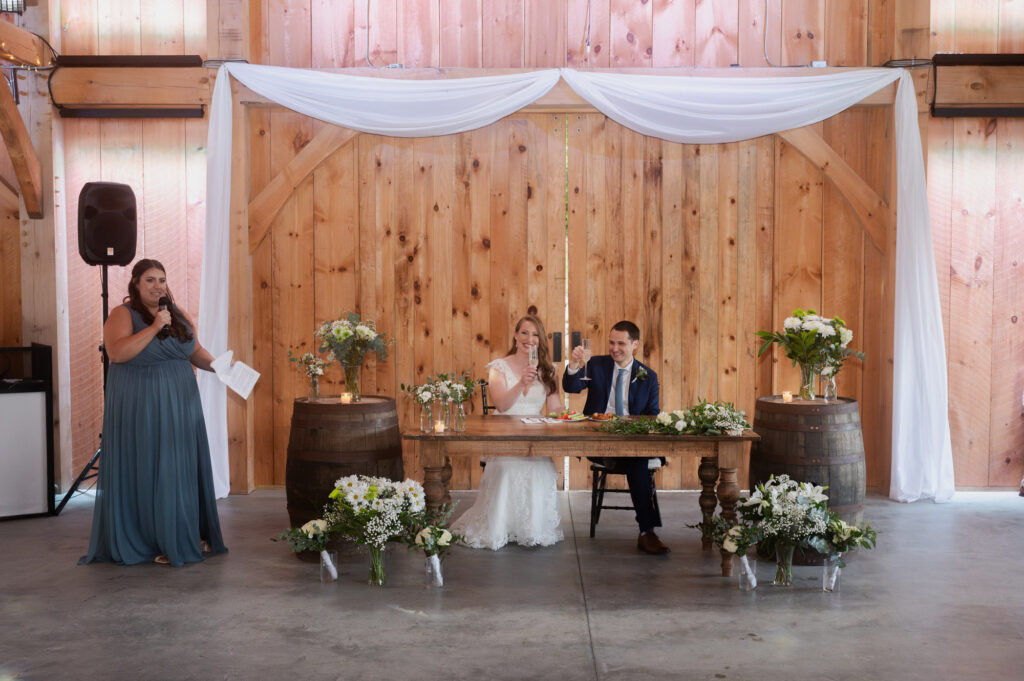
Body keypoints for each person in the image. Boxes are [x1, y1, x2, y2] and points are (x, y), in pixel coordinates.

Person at [80, 259, 227, 567]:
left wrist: (221, 368)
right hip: (143, 403)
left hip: (181, 402)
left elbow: (194, 350)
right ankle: (154, 537)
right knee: (154, 467)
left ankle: (183, 532)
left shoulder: (176, 313)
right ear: (135, 283)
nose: (158, 285)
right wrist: (154, 327)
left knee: (179, 468)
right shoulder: (123, 314)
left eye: (161, 279)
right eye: (150, 280)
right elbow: (118, 353)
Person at [451, 315, 565, 550]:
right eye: (524, 333)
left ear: (540, 340)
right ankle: (500, 527)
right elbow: (502, 405)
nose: (529, 339)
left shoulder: (548, 369)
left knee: (541, 468)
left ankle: (530, 529)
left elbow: (555, 407)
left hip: (534, 434)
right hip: (504, 432)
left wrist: (560, 416)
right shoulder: (498, 367)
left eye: (535, 335)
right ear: (515, 335)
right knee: (508, 467)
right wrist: (521, 383)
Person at [562, 320, 668, 555]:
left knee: (637, 458)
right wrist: (574, 364)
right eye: (611, 342)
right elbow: (571, 387)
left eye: (621, 343)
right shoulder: (596, 365)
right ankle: (647, 532)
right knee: (638, 463)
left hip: (632, 444)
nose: (615, 348)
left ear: (635, 344)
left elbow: (652, 416)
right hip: (598, 442)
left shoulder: (648, 376)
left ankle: (647, 531)